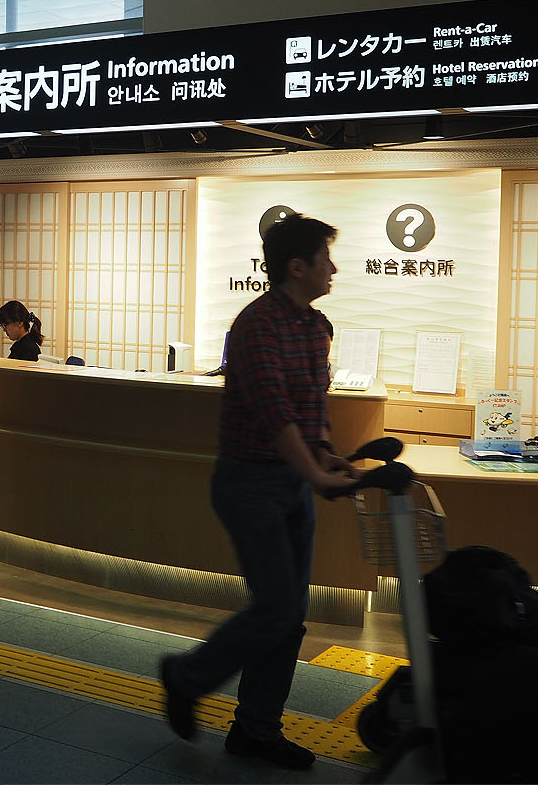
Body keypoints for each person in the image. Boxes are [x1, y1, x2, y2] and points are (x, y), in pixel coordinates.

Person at [158, 214, 355, 771]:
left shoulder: (316, 328)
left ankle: (256, 728)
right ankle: (186, 677)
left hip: (291, 483)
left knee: (288, 617)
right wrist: (316, 476)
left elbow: (309, 410)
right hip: (249, 484)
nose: (332, 268)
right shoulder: (256, 326)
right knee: (274, 607)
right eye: (325, 258)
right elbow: (273, 413)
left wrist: (325, 456)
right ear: (298, 267)